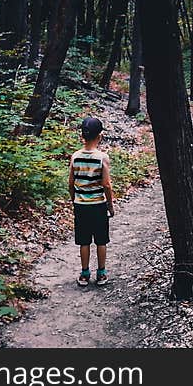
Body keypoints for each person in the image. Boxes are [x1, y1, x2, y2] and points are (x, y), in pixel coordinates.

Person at [69, 116, 114, 286]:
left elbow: (70, 183)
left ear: (83, 136)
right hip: (98, 204)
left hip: (81, 205)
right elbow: (107, 184)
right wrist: (110, 205)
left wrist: (75, 199)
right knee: (101, 240)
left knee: (84, 240)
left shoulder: (75, 157)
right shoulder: (102, 157)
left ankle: (84, 273)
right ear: (100, 136)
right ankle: (101, 273)